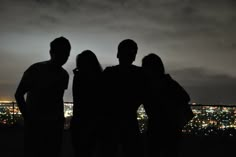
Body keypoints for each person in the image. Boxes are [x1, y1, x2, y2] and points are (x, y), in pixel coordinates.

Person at [15, 36, 71, 157]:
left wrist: (28, 117)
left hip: (48, 124)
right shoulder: (62, 74)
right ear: (52, 52)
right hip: (42, 124)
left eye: (66, 54)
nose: (64, 57)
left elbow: (19, 94)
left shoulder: (38, 69)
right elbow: (19, 94)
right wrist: (29, 118)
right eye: (62, 53)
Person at [142, 53, 193, 157]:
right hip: (172, 129)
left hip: (158, 128)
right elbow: (185, 97)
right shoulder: (169, 82)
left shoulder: (151, 85)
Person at [100, 39, 145, 157]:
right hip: (129, 121)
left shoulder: (109, 73)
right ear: (134, 56)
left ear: (118, 54)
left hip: (110, 123)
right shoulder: (140, 74)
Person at [70, 50, 103, 157]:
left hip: (79, 121)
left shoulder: (78, 77)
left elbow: (78, 99)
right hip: (94, 121)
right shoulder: (99, 78)